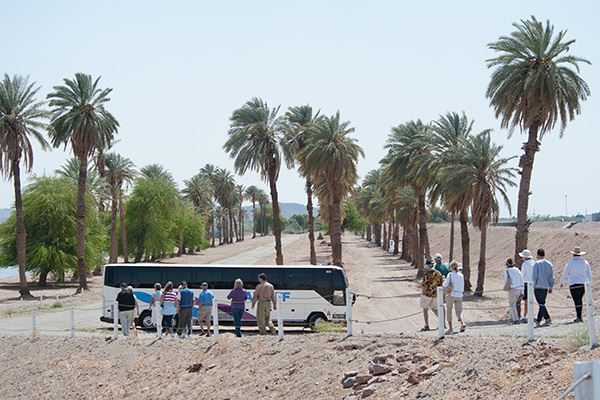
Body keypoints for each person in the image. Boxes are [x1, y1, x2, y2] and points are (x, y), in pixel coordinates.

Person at [560, 246, 592, 323]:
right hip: (583, 283)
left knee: (576, 300)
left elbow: (565, 273)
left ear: (573, 254)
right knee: (579, 300)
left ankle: (579, 317)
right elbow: (589, 273)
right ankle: (579, 316)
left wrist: (562, 282)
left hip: (573, 283)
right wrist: (589, 282)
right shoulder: (585, 262)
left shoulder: (571, 262)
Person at [532, 248, 554, 327]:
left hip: (538, 287)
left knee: (541, 304)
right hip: (545, 287)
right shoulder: (549, 264)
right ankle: (538, 320)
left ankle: (547, 318)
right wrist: (551, 286)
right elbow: (551, 277)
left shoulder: (536, 264)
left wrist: (532, 286)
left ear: (537, 255)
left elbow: (534, 276)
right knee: (542, 304)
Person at [442, 261, 466, 334]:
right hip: (460, 294)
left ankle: (450, 328)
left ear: (451, 267)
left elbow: (445, 284)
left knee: (449, 311)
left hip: (451, 294)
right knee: (459, 311)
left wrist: (443, 280)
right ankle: (462, 323)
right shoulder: (461, 275)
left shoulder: (450, 274)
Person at [420, 260, 443, 331]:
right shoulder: (438, 273)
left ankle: (426, 325)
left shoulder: (427, 274)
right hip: (436, 293)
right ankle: (442, 323)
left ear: (428, 265)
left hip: (427, 293)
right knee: (435, 309)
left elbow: (424, 284)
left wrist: (423, 293)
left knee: (425, 309)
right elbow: (441, 283)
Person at [504, 258, 524, 324]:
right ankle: (511, 319)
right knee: (514, 304)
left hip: (512, 289)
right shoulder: (517, 270)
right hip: (519, 289)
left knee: (512, 305)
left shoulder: (507, 271)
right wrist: (522, 291)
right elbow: (522, 280)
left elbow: (506, 281)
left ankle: (516, 319)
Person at [519, 249, 535, 322]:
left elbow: (522, 275)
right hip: (533, 283)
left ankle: (525, 315)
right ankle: (531, 314)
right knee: (531, 300)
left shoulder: (525, 264)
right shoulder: (534, 262)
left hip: (526, 283)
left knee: (526, 301)